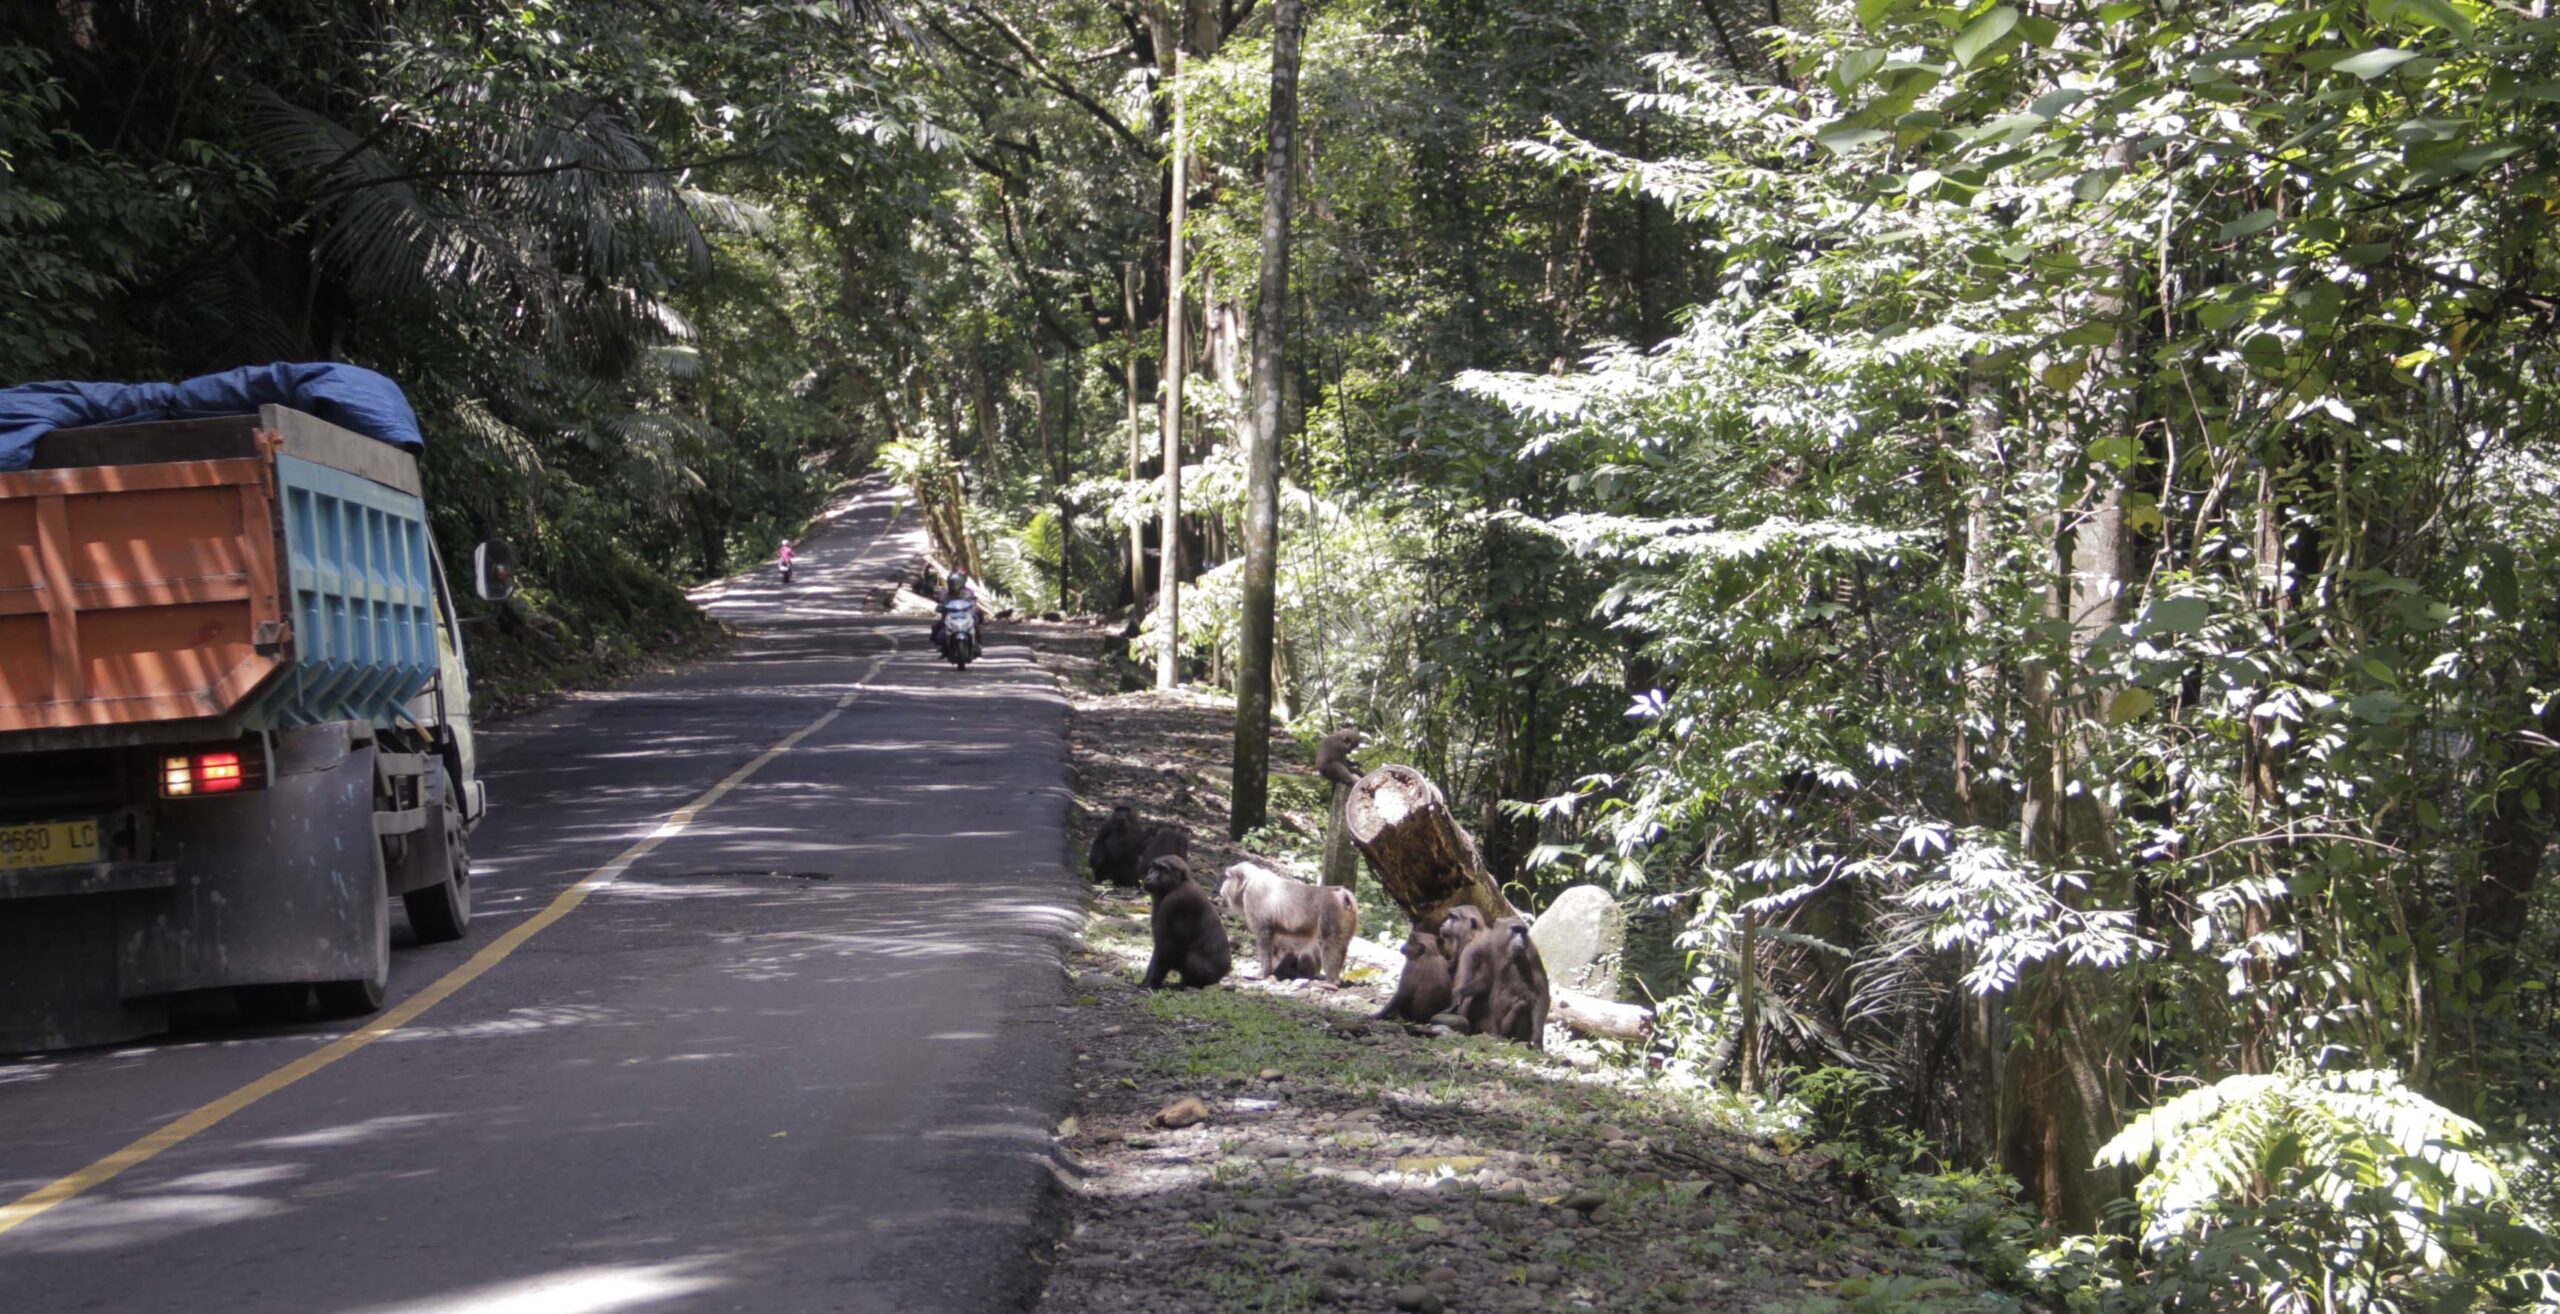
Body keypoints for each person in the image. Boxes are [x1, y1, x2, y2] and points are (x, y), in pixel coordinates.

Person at [930, 570, 979, 651]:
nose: (954, 585)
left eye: (956, 583)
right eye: (952, 583)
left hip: (965, 614)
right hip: (950, 615)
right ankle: (941, 645)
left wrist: (974, 608)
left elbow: (973, 602)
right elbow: (941, 601)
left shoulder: (968, 592)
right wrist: (940, 607)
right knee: (938, 626)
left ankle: (977, 644)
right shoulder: (945, 593)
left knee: (975, 625)